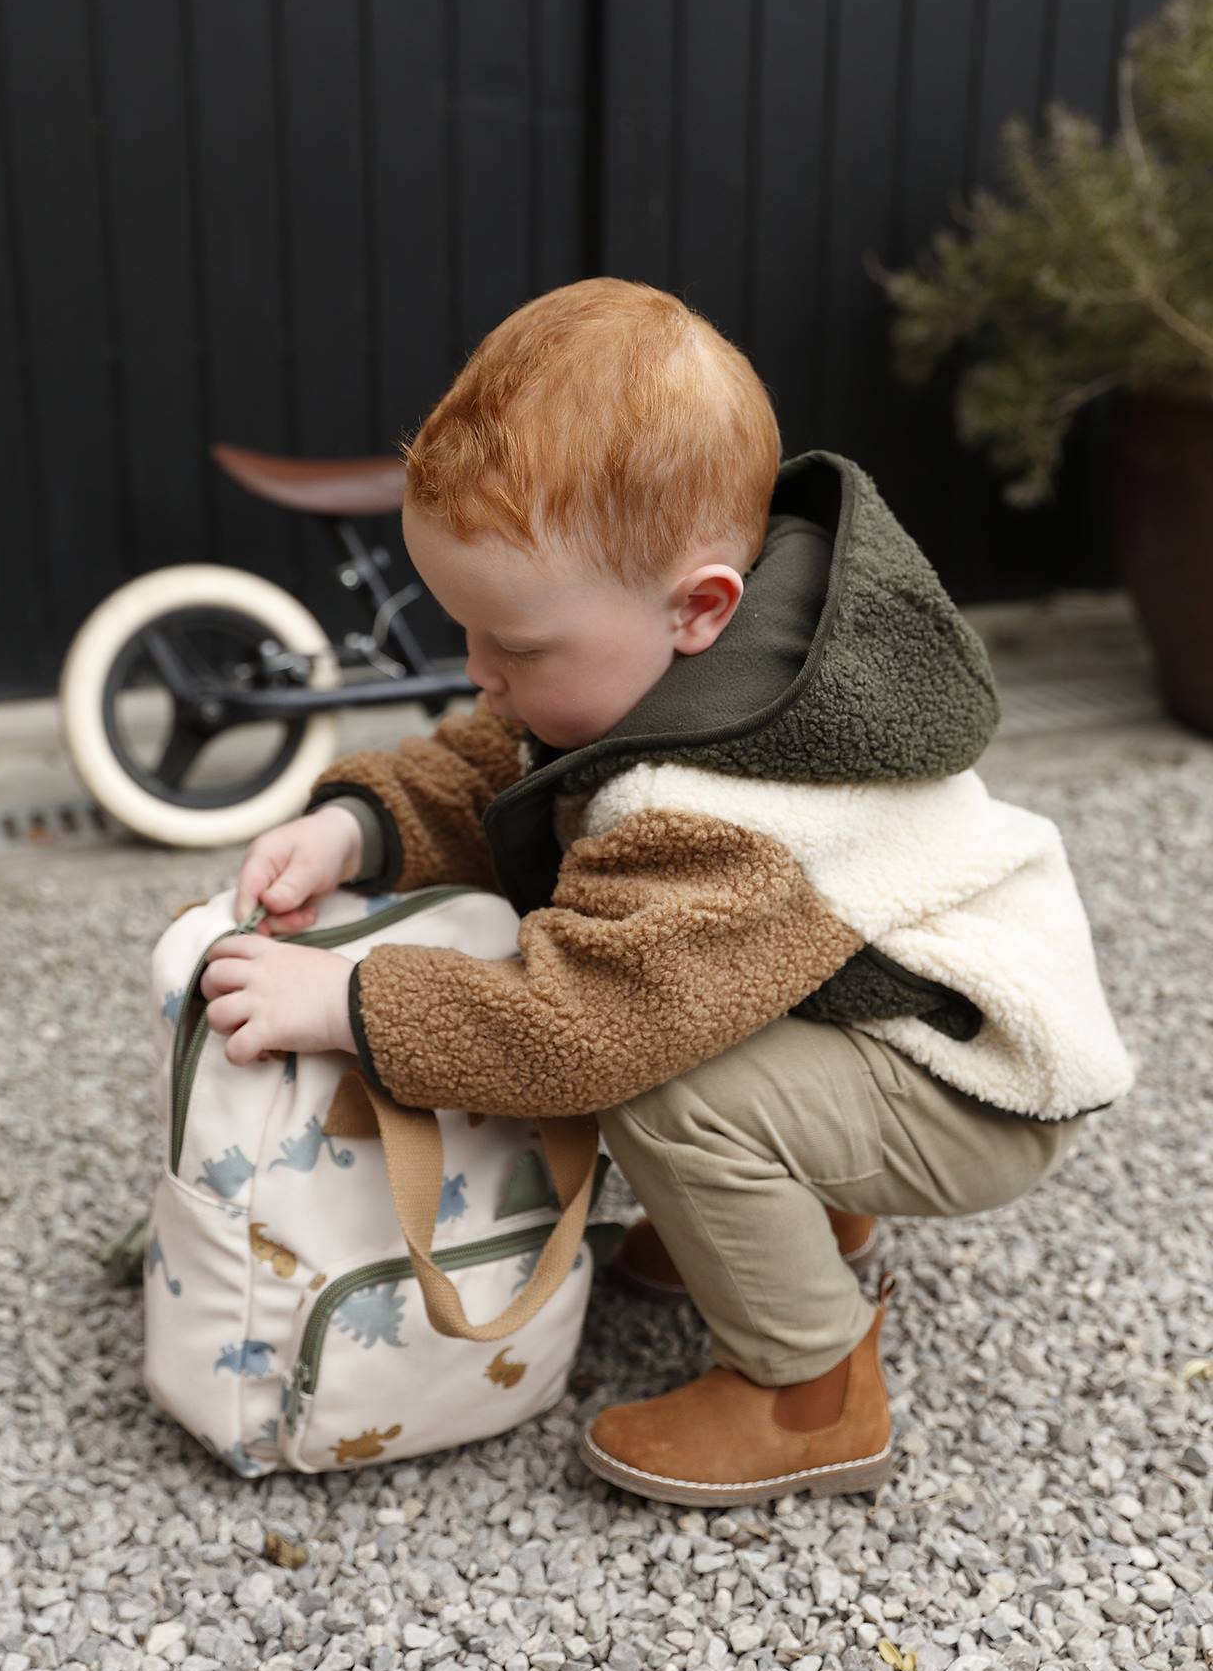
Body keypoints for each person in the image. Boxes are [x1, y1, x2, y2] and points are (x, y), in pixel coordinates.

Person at [199, 276, 1136, 1506]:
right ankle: (803, 1221)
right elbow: (513, 763)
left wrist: (351, 1000)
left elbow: (577, 1024)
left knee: (664, 1077)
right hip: (885, 1007)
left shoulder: (724, 812)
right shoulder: (686, 659)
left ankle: (810, 1386)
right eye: (465, 628)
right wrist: (357, 823)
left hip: (976, 1084)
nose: (478, 670)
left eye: (516, 647)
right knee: (681, 1012)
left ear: (700, 608)